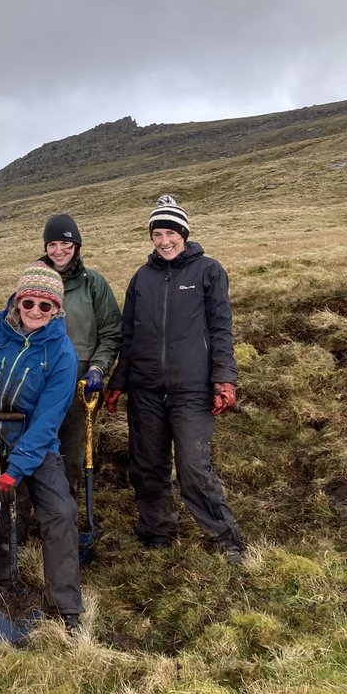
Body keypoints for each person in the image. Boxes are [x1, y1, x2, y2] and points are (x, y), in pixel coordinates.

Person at [105, 196, 244, 563]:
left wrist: (224, 379)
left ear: (183, 234)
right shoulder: (141, 278)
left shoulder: (209, 271)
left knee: (193, 466)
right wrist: (119, 381)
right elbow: (129, 337)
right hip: (146, 388)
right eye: (157, 234)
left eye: (170, 233)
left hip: (192, 388)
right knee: (147, 463)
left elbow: (220, 329)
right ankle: (157, 531)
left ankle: (226, 538)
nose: (163, 241)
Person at [0, 265, 83, 634]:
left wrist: (15, 469)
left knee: (61, 512)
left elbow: (49, 419)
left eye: (45, 306)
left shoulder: (63, 353)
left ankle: (67, 605)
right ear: (17, 301)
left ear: (56, 310)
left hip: (37, 441)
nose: (35, 311)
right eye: (28, 301)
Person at [34, 215, 122, 496]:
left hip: (80, 384)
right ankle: (34, 507)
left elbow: (111, 332)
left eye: (66, 243)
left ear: (77, 245)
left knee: (72, 451)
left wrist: (97, 368)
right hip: (36, 379)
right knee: (35, 444)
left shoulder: (94, 284)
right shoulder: (33, 281)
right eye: (53, 244)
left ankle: (66, 511)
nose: (59, 250)